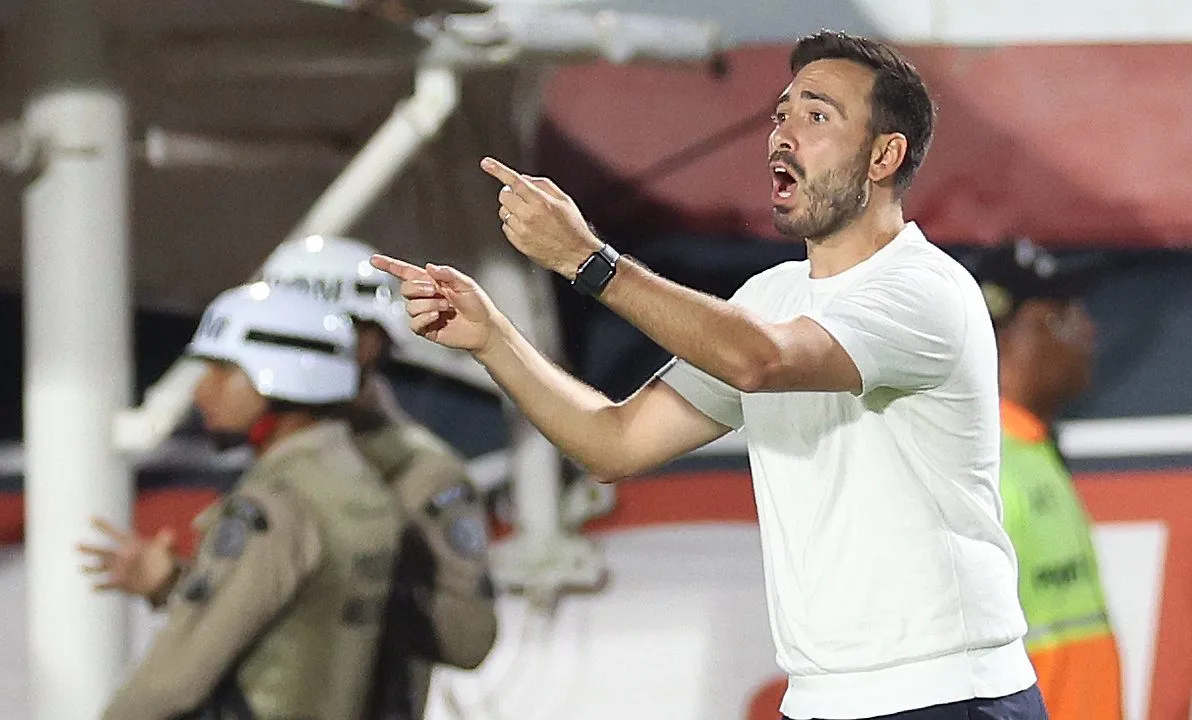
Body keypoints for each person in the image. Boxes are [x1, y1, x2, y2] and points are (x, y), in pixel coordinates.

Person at [373, 30, 1046, 720]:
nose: (782, 133)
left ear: (884, 154)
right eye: (780, 113)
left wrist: (590, 262)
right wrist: (494, 338)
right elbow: (616, 442)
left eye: (816, 116)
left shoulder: (925, 291)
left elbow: (761, 362)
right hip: (822, 700)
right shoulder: (768, 300)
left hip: (949, 695)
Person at [80, 283, 404, 720]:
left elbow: (173, 681)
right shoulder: (362, 482)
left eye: (220, 370)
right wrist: (173, 583)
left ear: (282, 374)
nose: (201, 392)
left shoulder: (275, 505)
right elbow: (301, 621)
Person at [260, 234, 498, 717]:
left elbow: (469, 637)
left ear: (367, 344)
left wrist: (362, 568)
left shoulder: (422, 473)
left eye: (297, 332)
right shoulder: (275, 457)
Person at [970, 239, 1124, 720]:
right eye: (1069, 311)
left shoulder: (1029, 449)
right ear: (1029, 328)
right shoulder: (983, 465)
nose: (1088, 329)